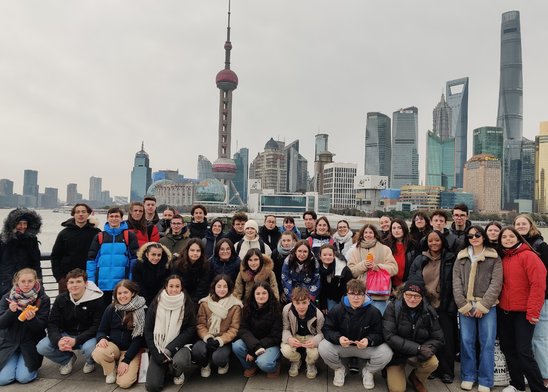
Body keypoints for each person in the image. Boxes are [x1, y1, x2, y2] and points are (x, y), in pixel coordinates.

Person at [453, 226, 502, 392]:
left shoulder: (494, 257)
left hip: (487, 306)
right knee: (466, 341)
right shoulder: (461, 257)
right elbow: (456, 282)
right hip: (466, 306)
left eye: (477, 235)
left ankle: (485, 380)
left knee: (487, 343)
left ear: (483, 236)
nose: (474, 237)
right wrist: (463, 305)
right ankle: (468, 376)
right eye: (470, 235)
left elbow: (496, 283)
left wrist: (483, 305)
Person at [497, 226, 547, 392]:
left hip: (524, 313)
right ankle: (517, 384)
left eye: (512, 236)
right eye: (504, 237)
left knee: (524, 352)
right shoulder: (503, 258)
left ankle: (538, 388)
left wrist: (533, 312)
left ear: (518, 238)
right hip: (505, 312)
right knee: (508, 348)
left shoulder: (529, 256)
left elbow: (538, 285)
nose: (508, 239)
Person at [318, 279, 393, 389]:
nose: (356, 298)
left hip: (364, 348)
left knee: (387, 352)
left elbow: (380, 333)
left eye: (360, 294)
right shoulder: (337, 309)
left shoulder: (374, 312)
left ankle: (368, 371)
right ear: (347, 294)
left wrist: (369, 340)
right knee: (323, 346)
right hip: (343, 346)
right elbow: (327, 329)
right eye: (352, 294)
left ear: (365, 294)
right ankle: (339, 369)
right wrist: (338, 338)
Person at [409, 230, 457, 384]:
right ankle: (433, 369)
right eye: (430, 241)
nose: (434, 243)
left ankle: (447, 371)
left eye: (437, 240)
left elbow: (454, 282)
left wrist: (449, 305)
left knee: (447, 340)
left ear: (442, 241)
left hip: (444, 305)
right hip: (424, 305)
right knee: (429, 339)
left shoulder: (450, 258)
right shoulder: (420, 259)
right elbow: (413, 280)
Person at [37, 268, 104, 375]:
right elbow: (52, 324)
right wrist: (58, 340)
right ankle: (66, 359)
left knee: (90, 348)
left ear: (86, 283)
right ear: (67, 285)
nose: (74, 285)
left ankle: (90, 362)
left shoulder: (97, 299)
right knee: (42, 346)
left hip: (88, 336)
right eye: (71, 282)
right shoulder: (61, 299)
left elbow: (97, 326)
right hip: (66, 334)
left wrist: (77, 340)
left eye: (78, 281)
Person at [383, 280, 444, 392]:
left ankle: (416, 378)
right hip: (396, 354)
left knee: (433, 363)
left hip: (417, 353)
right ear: (403, 294)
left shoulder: (429, 311)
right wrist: (418, 348)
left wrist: (427, 348)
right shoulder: (392, 307)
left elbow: (438, 337)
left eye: (416, 296)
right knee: (397, 390)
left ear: (422, 297)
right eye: (409, 295)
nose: (412, 299)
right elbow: (389, 336)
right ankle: (388, 370)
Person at [144, 275, 197, 391]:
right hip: (159, 347)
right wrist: (156, 354)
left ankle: (177, 372)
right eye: (171, 286)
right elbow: (147, 331)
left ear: (181, 287)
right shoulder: (156, 303)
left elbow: (191, 329)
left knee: (180, 361)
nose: (174, 289)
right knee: (153, 386)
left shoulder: (187, 303)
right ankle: (166, 368)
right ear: (166, 287)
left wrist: (170, 349)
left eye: (177, 286)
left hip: (180, 347)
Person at [514, 214, 548, 387]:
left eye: (523, 223)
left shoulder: (540, 245)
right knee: (526, 340)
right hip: (523, 301)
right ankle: (531, 372)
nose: (520, 226)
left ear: (531, 225)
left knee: (540, 338)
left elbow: (544, 277)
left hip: (540, 299)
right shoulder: (515, 244)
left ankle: (544, 375)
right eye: (517, 224)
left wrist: (540, 299)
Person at [0, 268, 50, 386]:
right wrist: (10, 312)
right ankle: (14, 362)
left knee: (23, 378)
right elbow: (1, 324)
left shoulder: (42, 299)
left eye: (30, 281)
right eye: (23, 281)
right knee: (3, 380)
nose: (26, 284)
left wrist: (32, 319)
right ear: (17, 282)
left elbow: (42, 327)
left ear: (35, 281)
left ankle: (29, 367)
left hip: (30, 344)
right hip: (9, 343)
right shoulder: (7, 298)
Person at [92, 280, 146, 388]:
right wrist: (102, 338)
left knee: (124, 383)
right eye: (119, 293)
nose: (122, 296)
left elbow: (139, 339)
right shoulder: (112, 308)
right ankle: (111, 370)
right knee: (98, 352)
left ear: (133, 293)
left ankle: (126, 364)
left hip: (132, 350)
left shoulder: (143, 310)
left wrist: (126, 360)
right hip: (114, 347)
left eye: (125, 292)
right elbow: (101, 330)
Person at [87, 207, 139, 308]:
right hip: (102, 283)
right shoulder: (100, 236)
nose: (114, 219)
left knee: (121, 313)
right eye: (111, 216)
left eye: (116, 216)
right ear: (107, 218)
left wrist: (131, 280)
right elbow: (91, 260)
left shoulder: (128, 235)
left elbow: (134, 260)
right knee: (103, 312)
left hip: (122, 284)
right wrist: (91, 281)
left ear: (121, 219)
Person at [192, 275, 243, 377]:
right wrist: (208, 337)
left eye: (225, 286)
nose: (222, 289)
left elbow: (234, 328)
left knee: (219, 358)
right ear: (214, 287)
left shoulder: (235, 306)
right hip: (207, 336)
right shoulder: (205, 303)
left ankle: (223, 364)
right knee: (197, 350)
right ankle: (205, 364)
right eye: (219, 286)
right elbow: (200, 324)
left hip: (224, 340)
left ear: (229, 288)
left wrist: (220, 340)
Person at [232, 281, 282, 378]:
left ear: (269, 294)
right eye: (257, 293)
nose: (261, 296)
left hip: (271, 344)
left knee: (264, 363)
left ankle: (275, 366)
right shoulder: (247, 308)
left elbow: (276, 336)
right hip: (253, 343)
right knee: (237, 345)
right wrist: (255, 347)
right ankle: (251, 366)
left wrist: (256, 348)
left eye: (264, 293)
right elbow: (243, 329)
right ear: (253, 295)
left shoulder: (276, 309)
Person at [346, 224, 398, 314]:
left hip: (379, 293)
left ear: (375, 234)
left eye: (371, 232)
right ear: (362, 234)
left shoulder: (385, 249)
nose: (368, 235)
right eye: (365, 232)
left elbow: (394, 269)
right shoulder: (354, 250)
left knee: (378, 321)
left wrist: (377, 267)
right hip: (360, 294)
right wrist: (363, 265)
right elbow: (351, 272)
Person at [51, 203, 101, 293]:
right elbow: (55, 256)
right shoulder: (64, 233)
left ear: (88, 214)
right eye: (77, 212)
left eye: (83, 212)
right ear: (73, 214)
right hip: (67, 279)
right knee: (66, 305)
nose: (80, 214)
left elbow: (101, 255)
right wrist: (59, 278)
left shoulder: (96, 233)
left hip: (90, 278)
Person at [281, 286, 324, 379]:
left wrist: (315, 341)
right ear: (292, 301)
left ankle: (310, 363)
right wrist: (289, 339)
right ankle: (296, 360)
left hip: (310, 337)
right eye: (297, 303)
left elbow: (321, 334)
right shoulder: (286, 310)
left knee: (314, 353)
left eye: (304, 302)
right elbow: (285, 328)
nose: (301, 307)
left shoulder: (318, 314)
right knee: (285, 350)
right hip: (294, 335)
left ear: (309, 301)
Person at [0, 208, 42, 297]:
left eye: (25, 223)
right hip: (6, 283)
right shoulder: (3, 240)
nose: (23, 226)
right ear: (12, 224)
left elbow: (36, 263)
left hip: (28, 284)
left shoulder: (32, 240)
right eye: (19, 223)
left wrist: (39, 282)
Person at [171, 239, 212, 306]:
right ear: (187, 250)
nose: (195, 253)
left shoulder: (205, 265)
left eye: (198, 251)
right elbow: (176, 284)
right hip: (180, 297)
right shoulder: (178, 265)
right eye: (192, 250)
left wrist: (193, 301)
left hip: (197, 299)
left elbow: (203, 286)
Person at [385, 218, 419, 291]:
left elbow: (417, 267)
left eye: (399, 228)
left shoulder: (413, 245)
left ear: (404, 229)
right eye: (394, 228)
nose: (396, 230)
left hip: (407, 284)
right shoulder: (386, 244)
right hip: (389, 284)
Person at [318, 243, 352, 313]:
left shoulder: (343, 268)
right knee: (331, 314)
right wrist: (323, 305)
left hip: (342, 297)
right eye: (324, 255)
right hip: (329, 297)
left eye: (330, 255)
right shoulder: (317, 267)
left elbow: (347, 288)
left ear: (334, 256)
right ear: (320, 256)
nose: (327, 257)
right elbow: (321, 288)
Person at [270, 231, 297, 298]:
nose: (286, 243)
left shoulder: (297, 252)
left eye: (288, 240)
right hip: (280, 287)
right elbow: (275, 274)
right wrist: (281, 291)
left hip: (295, 288)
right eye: (284, 240)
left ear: (293, 241)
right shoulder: (275, 253)